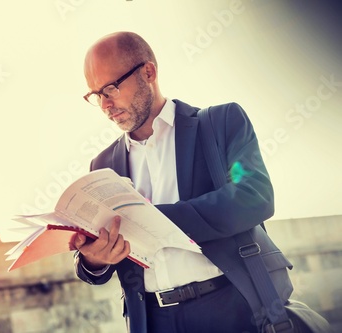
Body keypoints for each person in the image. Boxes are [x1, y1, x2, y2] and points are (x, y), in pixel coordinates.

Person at [72, 31, 294, 333]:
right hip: (153, 321)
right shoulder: (102, 165)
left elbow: (253, 196)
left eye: (110, 88)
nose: (104, 105)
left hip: (233, 309)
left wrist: (148, 220)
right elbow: (98, 271)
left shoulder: (221, 123)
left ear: (148, 72)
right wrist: (93, 259)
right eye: (95, 95)